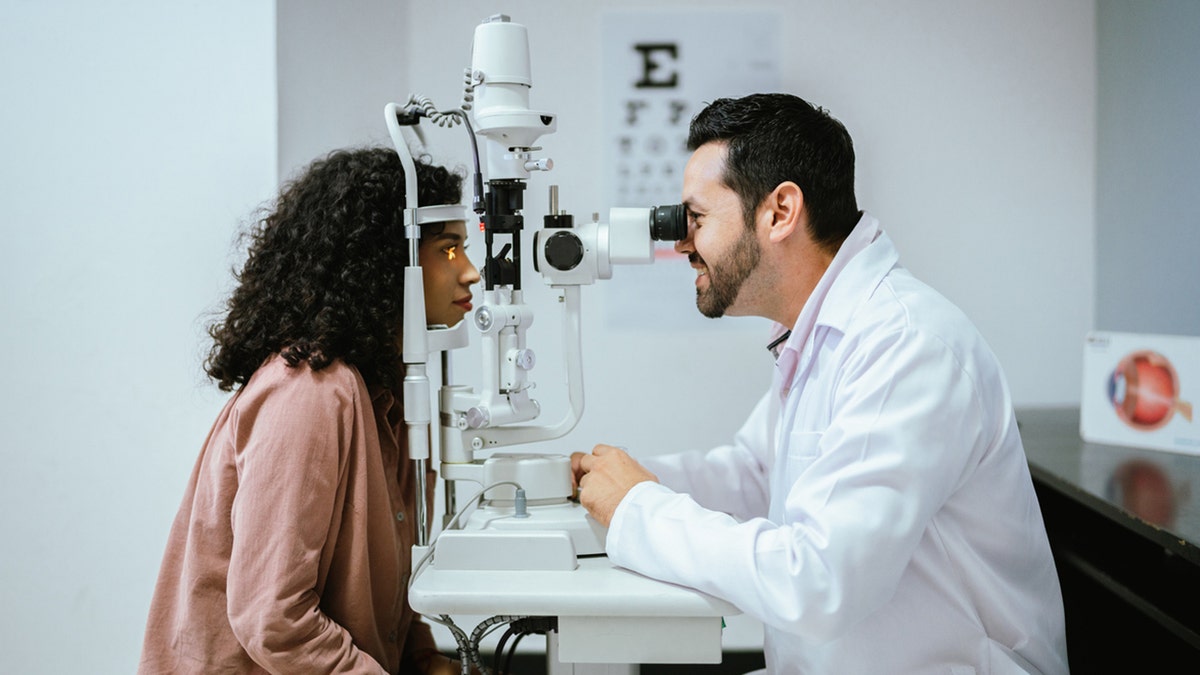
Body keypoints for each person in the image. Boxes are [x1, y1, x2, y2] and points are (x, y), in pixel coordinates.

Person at [572, 94, 1069, 674]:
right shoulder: (823, 333)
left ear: (780, 211)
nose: (680, 243)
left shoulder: (905, 346)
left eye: (697, 218)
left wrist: (638, 507)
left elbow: (819, 581)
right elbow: (757, 472)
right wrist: (623, 481)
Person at [138, 147, 480, 674]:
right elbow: (274, 617)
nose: (472, 273)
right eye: (450, 249)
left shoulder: (379, 396)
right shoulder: (312, 392)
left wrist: (423, 659)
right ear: (389, 259)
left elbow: (371, 592)